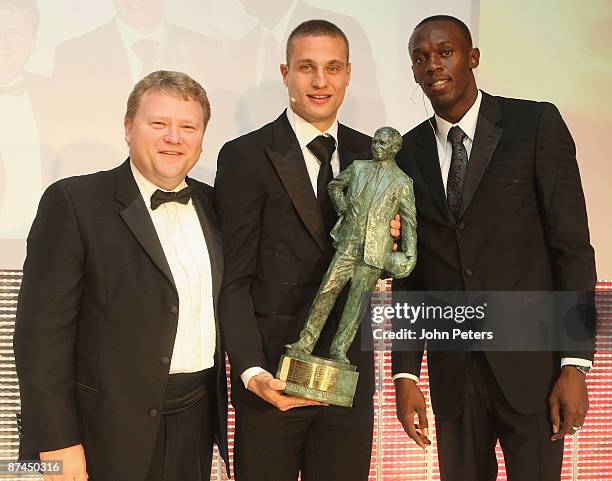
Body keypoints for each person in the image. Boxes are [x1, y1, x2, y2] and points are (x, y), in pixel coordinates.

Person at [391, 15, 597, 481]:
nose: (433, 65)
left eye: (445, 52)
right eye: (420, 58)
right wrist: (405, 374)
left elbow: (573, 250)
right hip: (453, 375)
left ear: (473, 58)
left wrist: (574, 363)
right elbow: (411, 272)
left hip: (534, 373)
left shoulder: (535, 123)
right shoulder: (408, 151)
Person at [13, 70, 228, 481]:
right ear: (129, 128)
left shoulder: (213, 203)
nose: (174, 137)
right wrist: (57, 441)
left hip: (195, 423)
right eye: (159, 124)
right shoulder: (74, 203)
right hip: (102, 432)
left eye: (188, 127)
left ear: (201, 137)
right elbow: (40, 336)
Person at [215, 19, 390, 481]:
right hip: (272, 378)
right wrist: (252, 371)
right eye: (306, 67)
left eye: (332, 68)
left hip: (347, 375)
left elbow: (381, 267)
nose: (320, 81)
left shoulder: (373, 157)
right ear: (285, 72)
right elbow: (233, 279)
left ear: (349, 73)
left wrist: (387, 245)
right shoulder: (245, 156)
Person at [288, 127, 416, 364]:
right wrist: (343, 206)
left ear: (395, 148)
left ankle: (339, 350)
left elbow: (409, 221)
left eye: (382, 143)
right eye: (375, 141)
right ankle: (305, 342)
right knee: (327, 290)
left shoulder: (402, 182)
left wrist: (410, 255)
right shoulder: (358, 168)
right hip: (348, 243)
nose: (376, 146)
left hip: (374, 253)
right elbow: (334, 186)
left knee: (355, 306)